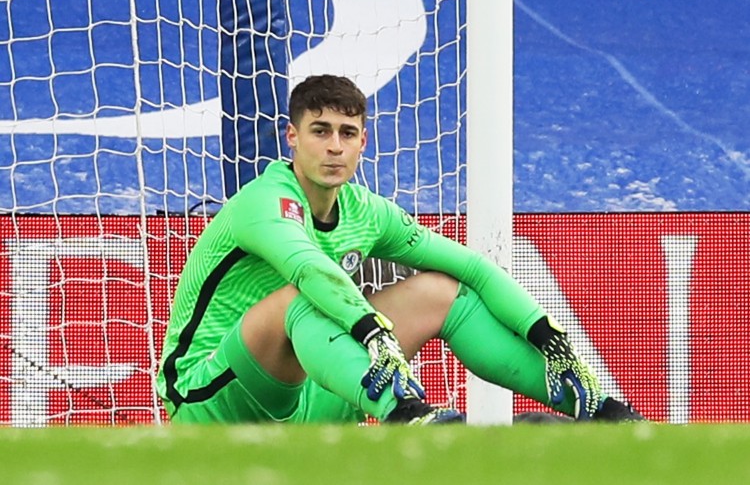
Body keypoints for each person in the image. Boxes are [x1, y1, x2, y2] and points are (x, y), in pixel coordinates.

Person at [156, 74, 643, 425]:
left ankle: (601, 411)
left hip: (310, 395)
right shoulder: (263, 201)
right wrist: (372, 332)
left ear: (362, 142)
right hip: (211, 395)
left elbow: (473, 267)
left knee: (441, 292)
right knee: (298, 298)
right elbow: (307, 269)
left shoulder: (367, 211)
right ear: (293, 138)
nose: (334, 146)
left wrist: (546, 334)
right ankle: (406, 414)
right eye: (320, 131)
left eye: (347, 133)